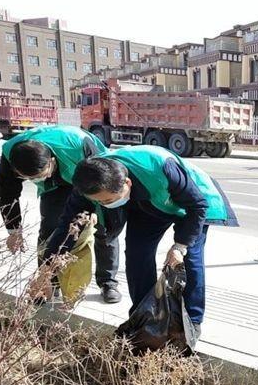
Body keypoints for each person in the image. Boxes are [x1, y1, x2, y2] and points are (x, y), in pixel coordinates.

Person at [32, 145, 238, 347]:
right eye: (99, 202)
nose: (104, 205)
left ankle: (192, 322)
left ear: (126, 184)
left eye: (109, 200)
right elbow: (67, 227)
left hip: (193, 204)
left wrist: (180, 246)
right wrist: (46, 270)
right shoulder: (88, 184)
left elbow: (197, 206)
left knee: (190, 259)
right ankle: (144, 316)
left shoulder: (160, 168)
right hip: (150, 205)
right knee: (137, 255)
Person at [0, 125, 123, 303]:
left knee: (104, 228)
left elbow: (102, 181)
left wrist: (95, 209)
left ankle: (108, 282)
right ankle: (47, 282)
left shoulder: (79, 145)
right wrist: (13, 230)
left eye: (40, 175)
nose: (36, 180)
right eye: (30, 178)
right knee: (50, 227)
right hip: (56, 186)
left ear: (51, 161)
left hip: (92, 175)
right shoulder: (11, 155)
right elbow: (7, 194)